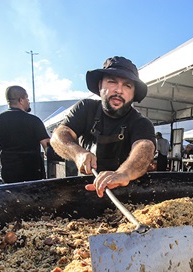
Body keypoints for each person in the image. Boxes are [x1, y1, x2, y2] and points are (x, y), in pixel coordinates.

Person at [50, 56, 156, 197]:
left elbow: (145, 147)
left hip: (125, 194)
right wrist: (78, 153)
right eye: (112, 82)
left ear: (133, 93)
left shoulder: (140, 122)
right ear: (100, 85)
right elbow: (59, 135)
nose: (119, 90)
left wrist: (123, 173)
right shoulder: (86, 108)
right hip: (85, 191)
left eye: (127, 85)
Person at [0, 86, 50, 184]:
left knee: (12, 198)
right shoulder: (34, 121)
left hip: (9, 173)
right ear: (21, 100)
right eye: (27, 98)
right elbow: (47, 146)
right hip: (33, 173)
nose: (28, 101)